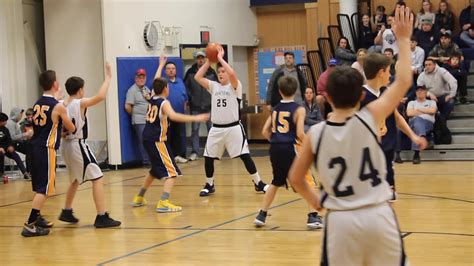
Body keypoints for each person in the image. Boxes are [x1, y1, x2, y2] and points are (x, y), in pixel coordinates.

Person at [288, 7, 413, 265]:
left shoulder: (316, 134)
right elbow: (403, 82)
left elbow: (295, 178)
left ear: (327, 98)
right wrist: (402, 39)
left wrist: (317, 202)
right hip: (378, 215)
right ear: (360, 97)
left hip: (340, 220)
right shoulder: (370, 118)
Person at [194, 46, 268, 196]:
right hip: (216, 128)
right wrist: (209, 60)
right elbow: (198, 77)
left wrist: (220, 58)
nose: (221, 74)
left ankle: (258, 182)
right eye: (219, 72)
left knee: (245, 156)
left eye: (223, 71)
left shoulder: (235, 86)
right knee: (208, 157)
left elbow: (233, 73)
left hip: (233, 128)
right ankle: (209, 184)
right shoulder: (214, 86)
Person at [254, 77, 323, 229]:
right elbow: (299, 133)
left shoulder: (275, 109)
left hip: (275, 148)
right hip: (289, 147)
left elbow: (265, 131)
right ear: (297, 91)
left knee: (276, 181)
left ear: (280, 91)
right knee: (308, 180)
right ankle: (313, 217)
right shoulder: (299, 109)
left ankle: (261, 215)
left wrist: (277, 139)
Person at [131, 78, 209, 211]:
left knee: (155, 170)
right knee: (172, 172)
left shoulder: (152, 98)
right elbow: (174, 116)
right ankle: (163, 202)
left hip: (147, 138)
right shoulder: (164, 102)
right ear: (166, 89)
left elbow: (155, 80)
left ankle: (139, 197)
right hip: (157, 140)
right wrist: (196, 118)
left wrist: (161, 66)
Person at [58, 63, 121, 228]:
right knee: (98, 178)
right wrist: (108, 78)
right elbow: (100, 96)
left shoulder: (61, 103)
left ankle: (66, 210)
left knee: (76, 179)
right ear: (80, 90)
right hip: (78, 145)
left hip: (65, 145)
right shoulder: (79, 103)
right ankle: (101, 216)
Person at [21, 70, 75, 237]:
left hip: (35, 147)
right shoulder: (58, 106)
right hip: (46, 149)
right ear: (55, 84)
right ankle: (30, 224)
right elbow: (71, 127)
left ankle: (37, 218)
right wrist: (66, 126)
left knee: (39, 186)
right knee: (44, 189)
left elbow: (48, 120)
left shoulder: (37, 103)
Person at [184, 50, 217, 161]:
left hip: (209, 106)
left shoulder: (212, 72)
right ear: (196, 59)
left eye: (202, 57)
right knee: (195, 130)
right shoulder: (190, 72)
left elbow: (216, 87)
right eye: (198, 58)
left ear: (205, 59)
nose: (200, 60)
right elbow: (186, 87)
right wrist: (190, 99)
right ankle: (195, 152)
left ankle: (212, 151)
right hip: (195, 106)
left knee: (212, 130)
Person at [156, 55, 189, 163]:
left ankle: (179, 155)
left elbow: (185, 97)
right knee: (168, 136)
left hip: (179, 114)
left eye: (173, 69)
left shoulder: (180, 81)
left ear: (176, 70)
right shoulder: (163, 82)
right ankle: (169, 156)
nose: (171, 70)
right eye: (169, 69)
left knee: (179, 135)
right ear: (165, 71)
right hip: (167, 116)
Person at [125, 68, 151, 165]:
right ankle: (146, 161)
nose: (141, 79)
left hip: (148, 119)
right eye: (139, 77)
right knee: (143, 141)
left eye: (143, 77)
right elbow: (127, 106)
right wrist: (136, 115)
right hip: (139, 120)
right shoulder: (132, 90)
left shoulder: (146, 89)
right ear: (135, 78)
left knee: (148, 140)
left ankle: (150, 159)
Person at [407, 86, 437, 164]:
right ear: (416, 93)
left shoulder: (431, 102)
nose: (419, 92)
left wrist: (418, 110)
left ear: (426, 93)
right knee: (417, 120)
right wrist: (426, 111)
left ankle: (416, 153)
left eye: (422, 91)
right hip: (412, 124)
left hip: (428, 124)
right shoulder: (412, 103)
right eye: (418, 91)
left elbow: (433, 111)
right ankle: (422, 137)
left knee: (418, 123)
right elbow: (409, 113)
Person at [5, 107, 31, 179]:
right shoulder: (11, 124)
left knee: (30, 148)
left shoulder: (15, 124)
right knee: (29, 149)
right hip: (11, 144)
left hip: (15, 143)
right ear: (16, 114)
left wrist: (25, 137)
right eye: (20, 114)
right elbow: (12, 137)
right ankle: (28, 171)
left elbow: (19, 136)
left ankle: (29, 171)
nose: (21, 116)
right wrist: (25, 134)